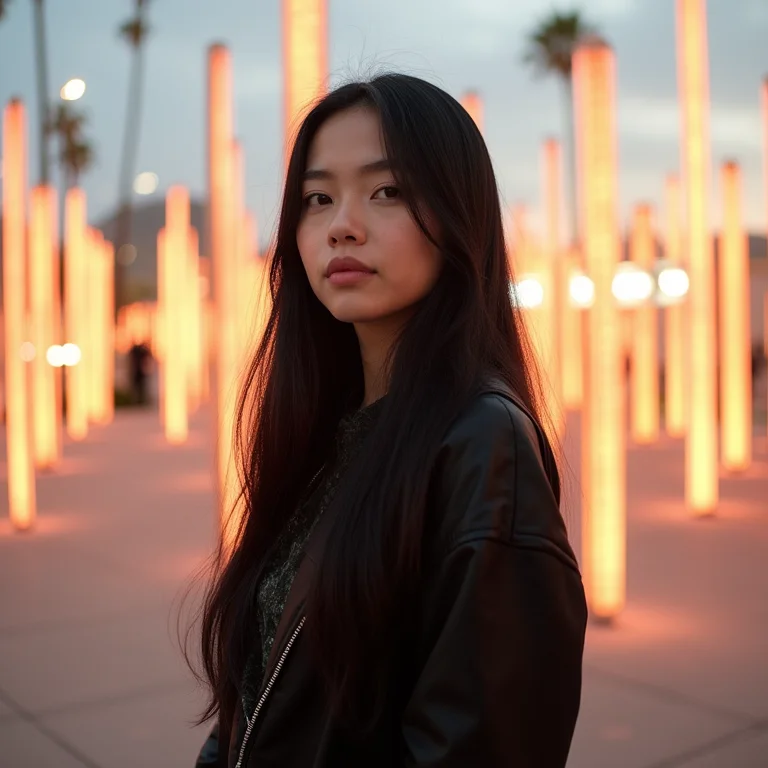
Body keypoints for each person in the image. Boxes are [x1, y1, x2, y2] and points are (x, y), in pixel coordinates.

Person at [189, 73, 587, 768]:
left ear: (458, 215)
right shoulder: (328, 431)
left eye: (387, 191)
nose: (342, 222)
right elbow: (259, 700)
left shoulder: (484, 447)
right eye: (318, 198)